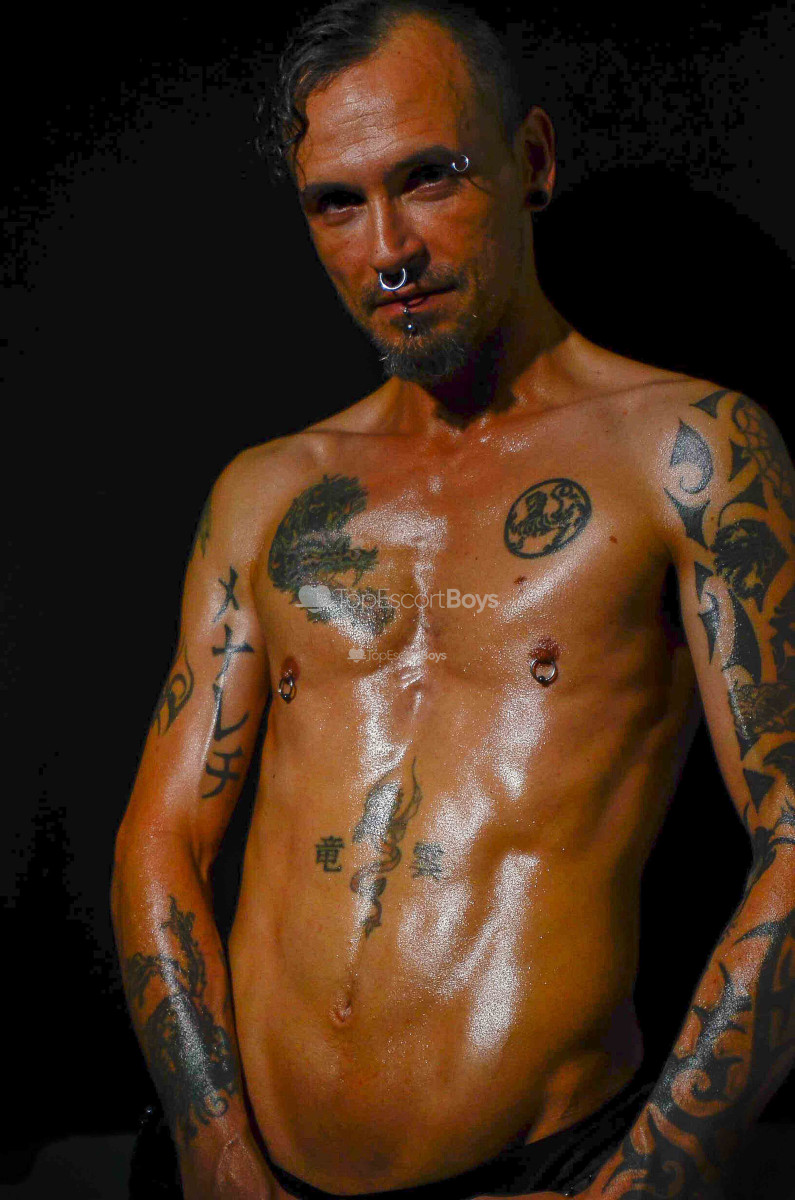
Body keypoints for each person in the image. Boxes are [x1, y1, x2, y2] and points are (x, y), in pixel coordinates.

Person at [111, 2, 795, 1197]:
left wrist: (658, 1176)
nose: (387, 248)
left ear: (532, 161)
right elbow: (162, 837)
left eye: (428, 178)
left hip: (547, 1169)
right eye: (336, 202)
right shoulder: (267, 493)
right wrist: (211, 1150)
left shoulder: (685, 451)